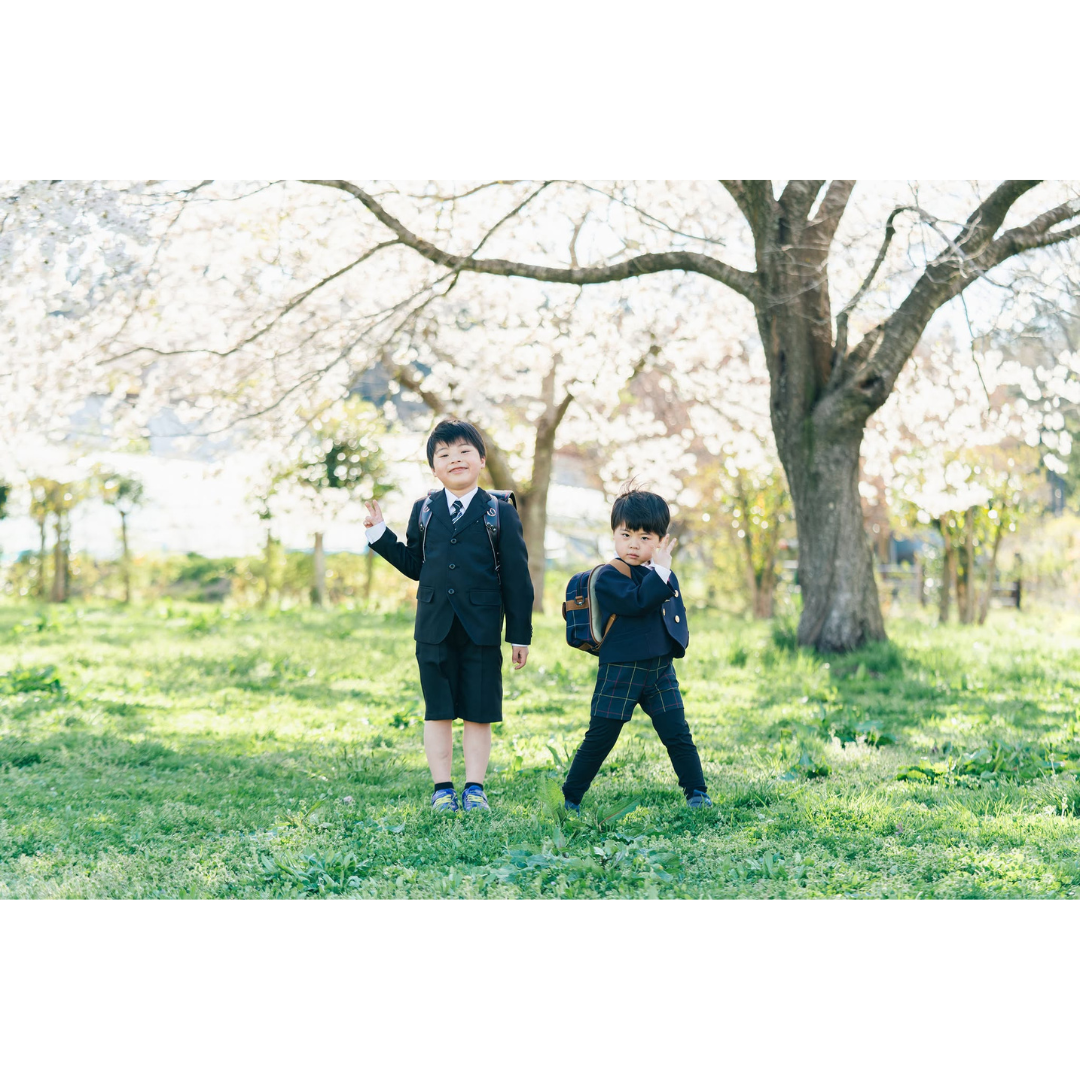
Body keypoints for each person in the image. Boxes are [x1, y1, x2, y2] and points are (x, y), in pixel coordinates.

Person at [363, 418, 533, 812]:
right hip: (433, 627)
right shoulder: (424, 509)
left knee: (479, 711)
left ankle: (475, 788)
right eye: (444, 454)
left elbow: (517, 578)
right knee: (437, 709)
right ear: (433, 467)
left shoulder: (499, 512)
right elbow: (415, 565)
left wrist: (519, 635)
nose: (455, 459)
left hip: (482, 629)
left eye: (464, 452)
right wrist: (380, 535)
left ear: (481, 459)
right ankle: (442, 788)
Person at [562, 487, 711, 811]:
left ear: (661, 540)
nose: (633, 544)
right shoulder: (609, 576)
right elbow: (637, 601)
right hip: (621, 669)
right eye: (625, 534)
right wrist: (661, 572)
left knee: (677, 732)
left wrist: (662, 572)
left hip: (659, 668)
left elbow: (672, 611)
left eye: (645, 537)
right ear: (614, 534)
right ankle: (570, 797)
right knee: (601, 737)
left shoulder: (661, 573)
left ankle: (697, 793)